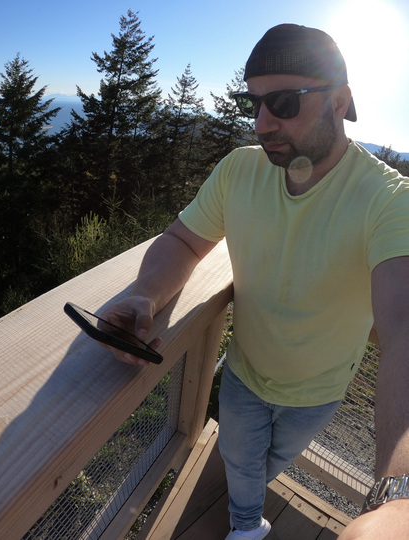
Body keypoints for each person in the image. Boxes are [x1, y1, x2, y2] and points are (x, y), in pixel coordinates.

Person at [102, 24, 409, 540]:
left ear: (339, 102)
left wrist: (400, 495)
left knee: (263, 464)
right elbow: (182, 241)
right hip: (245, 373)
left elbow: (402, 327)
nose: (263, 122)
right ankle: (247, 527)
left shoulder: (389, 201)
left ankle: (245, 512)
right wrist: (143, 296)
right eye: (255, 103)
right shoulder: (238, 171)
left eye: (284, 102)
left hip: (319, 393)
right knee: (241, 458)